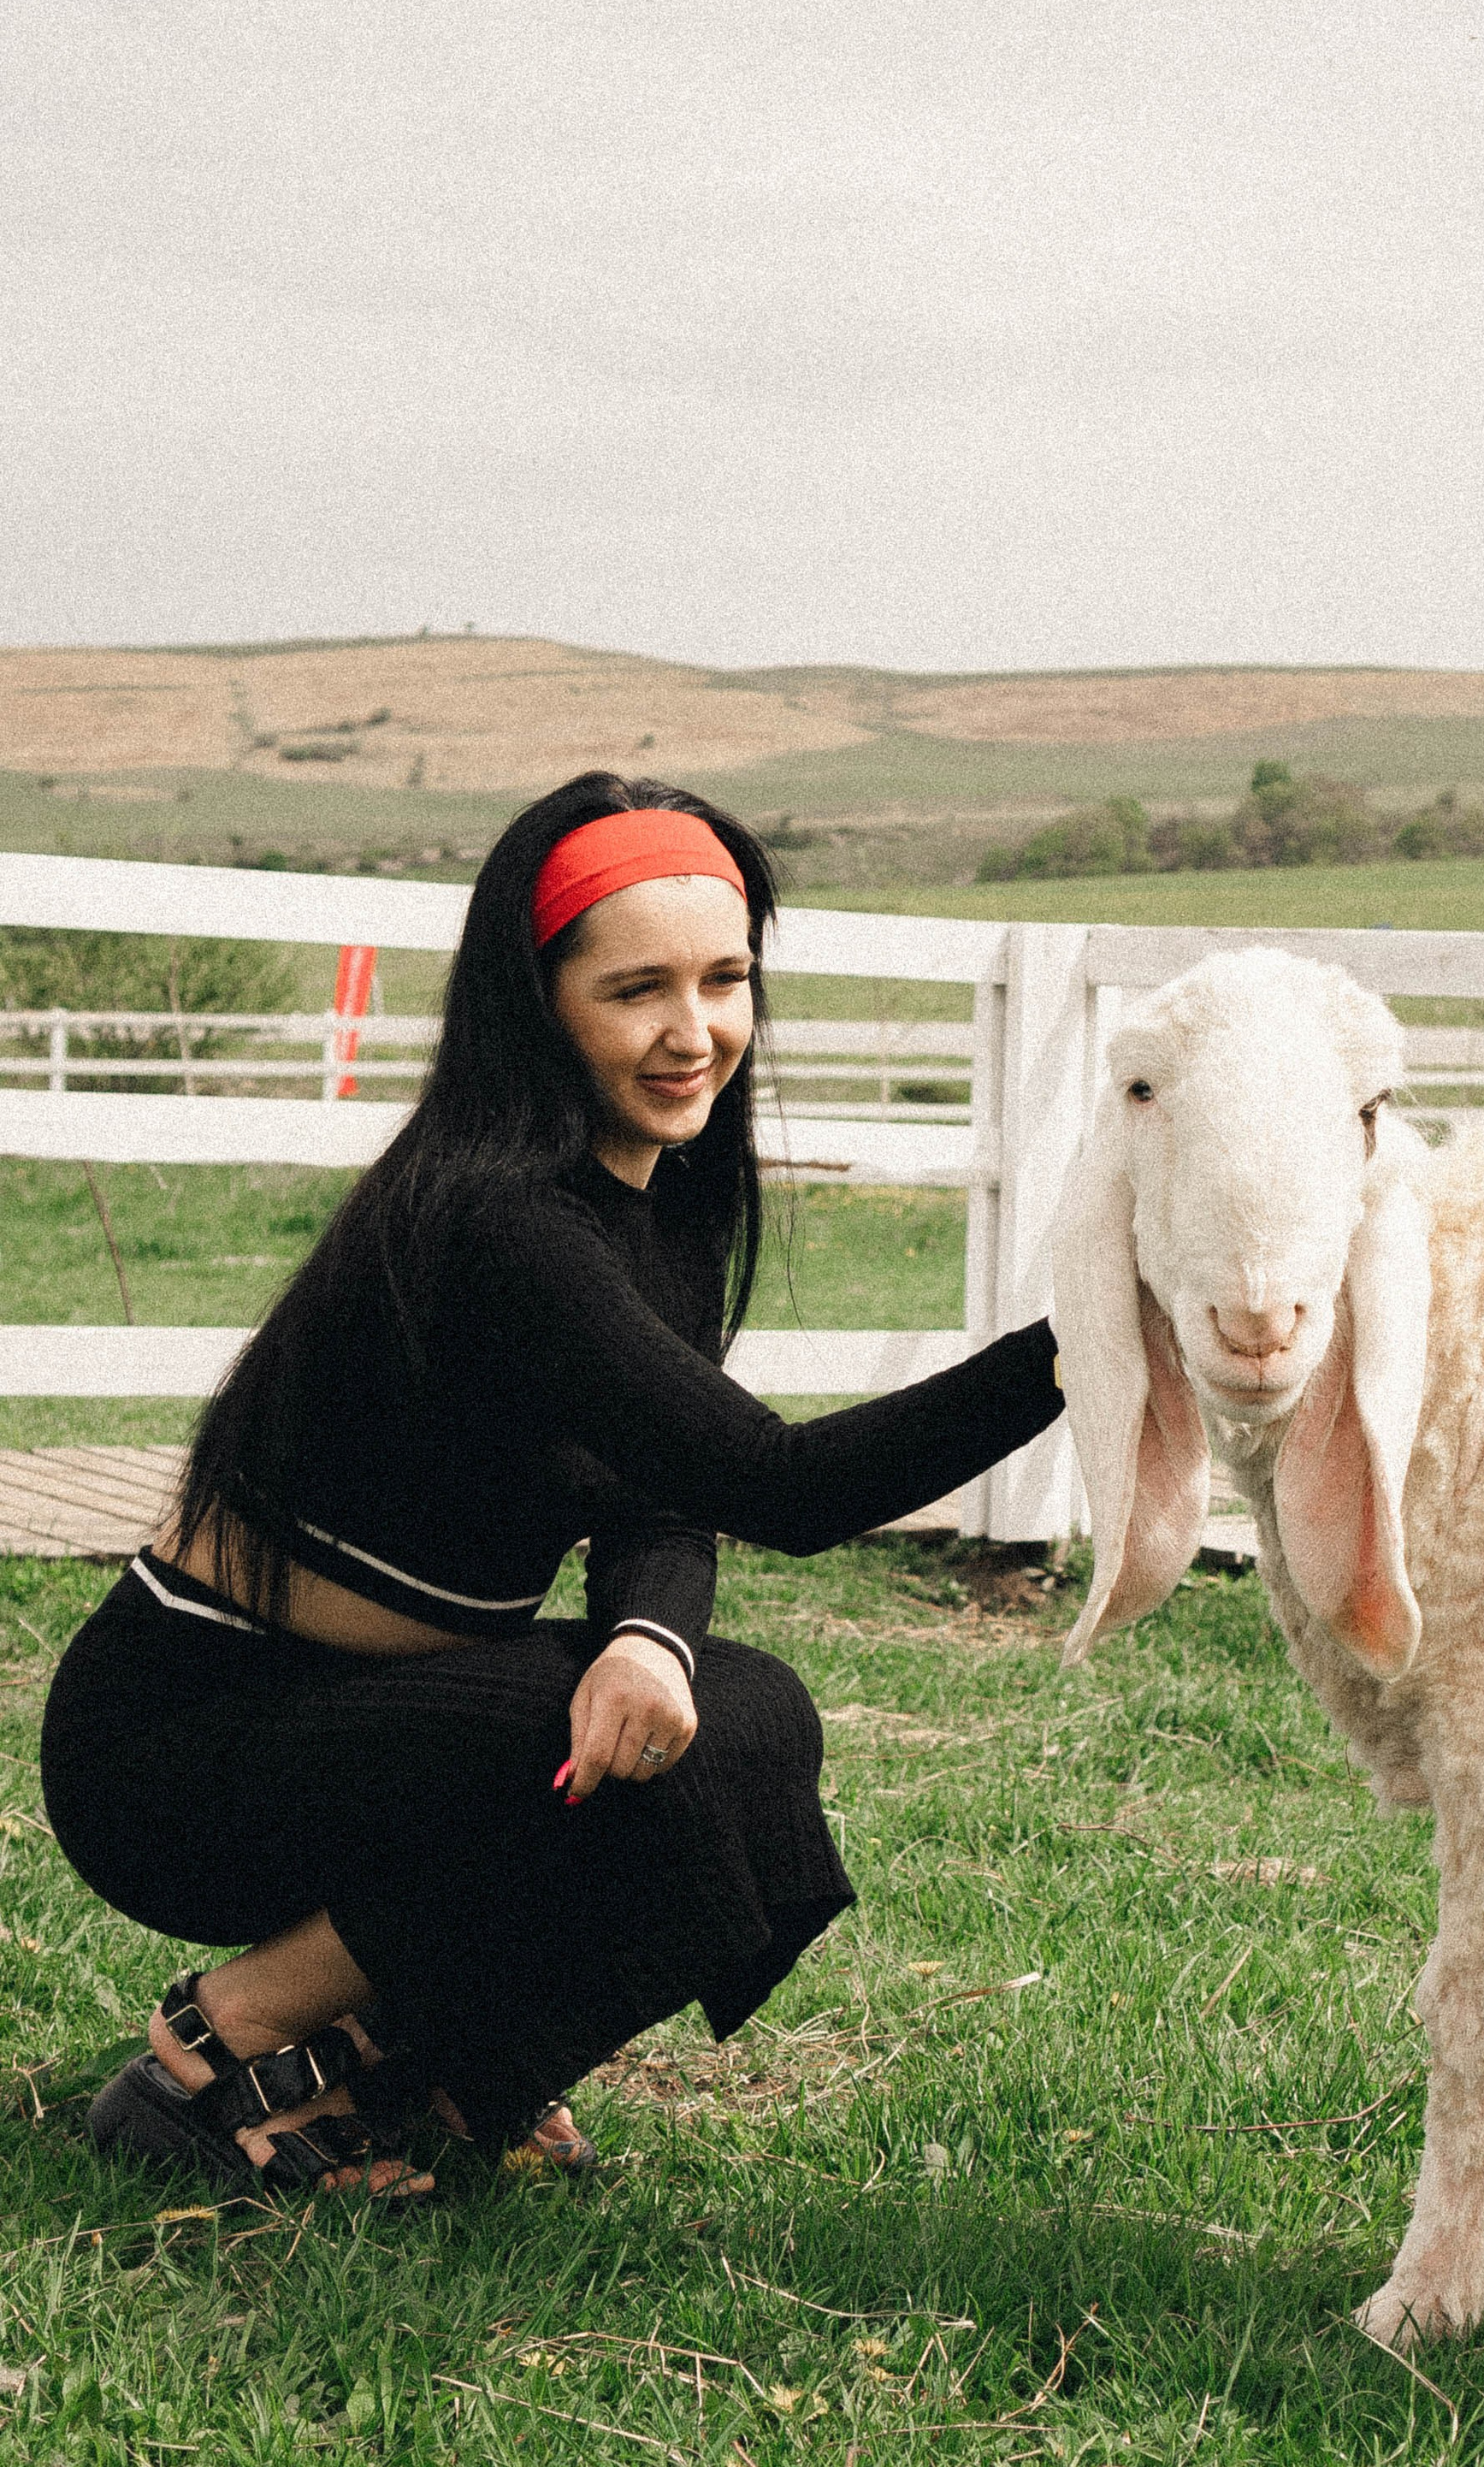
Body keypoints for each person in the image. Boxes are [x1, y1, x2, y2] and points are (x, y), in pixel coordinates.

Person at [41, 774, 1064, 2203]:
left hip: (386, 1723)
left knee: (734, 1717)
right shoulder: (500, 1224)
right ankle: (219, 2051)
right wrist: (1083, 1345)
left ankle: (434, 2072)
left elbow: (663, 1496)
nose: (693, 1032)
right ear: (537, 1004)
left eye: (724, 980)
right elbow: (777, 1486)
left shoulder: (660, 1204)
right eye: (636, 989)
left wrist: (646, 1638)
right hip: (188, 1746)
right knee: (689, 1738)